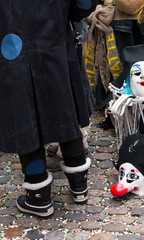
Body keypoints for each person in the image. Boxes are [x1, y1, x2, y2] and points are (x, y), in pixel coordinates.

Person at [0, 0, 97, 217]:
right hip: (55, 41)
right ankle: (79, 185)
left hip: (12, 46)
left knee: (23, 110)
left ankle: (38, 195)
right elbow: (84, 4)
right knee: (63, 105)